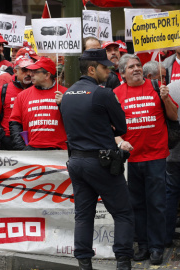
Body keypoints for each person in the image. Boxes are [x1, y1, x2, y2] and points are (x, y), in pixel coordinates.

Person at [60, 49, 134, 270]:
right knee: (123, 213)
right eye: (104, 67)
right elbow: (122, 128)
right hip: (101, 162)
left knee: (83, 215)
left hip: (76, 162)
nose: (108, 70)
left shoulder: (67, 95)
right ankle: (123, 263)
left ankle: (84, 264)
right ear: (92, 69)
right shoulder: (103, 93)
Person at [113, 54, 178, 265]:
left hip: (156, 156)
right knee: (137, 205)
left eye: (138, 65)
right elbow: (110, 127)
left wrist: (166, 97)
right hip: (131, 159)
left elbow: (174, 116)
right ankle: (143, 246)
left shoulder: (156, 86)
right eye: (131, 67)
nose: (136, 69)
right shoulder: (116, 94)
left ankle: (157, 247)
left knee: (157, 204)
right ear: (122, 73)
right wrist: (119, 141)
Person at [9, 57, 68, 150]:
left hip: (58, 151)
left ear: (47, 75)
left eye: (35, 71)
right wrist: (21, 148)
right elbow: (15, 123)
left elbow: (75, 122)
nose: (30, 74)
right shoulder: (22, 95)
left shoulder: (65, 93)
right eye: (30, 71)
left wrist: (63, 105)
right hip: (32, 151)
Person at [0, 56, 34, 150]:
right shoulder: (3, 90)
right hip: (9, 144)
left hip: (34, 142)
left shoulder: (38, 90)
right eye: (24, 70)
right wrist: (4, 137)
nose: (29, 73)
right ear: (15, 71)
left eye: (31, 69)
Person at [165, 78, 180, 247]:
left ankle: (166, 237)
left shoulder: (169, 88)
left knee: (170, 194)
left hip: (173, 152)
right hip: (174, 153)